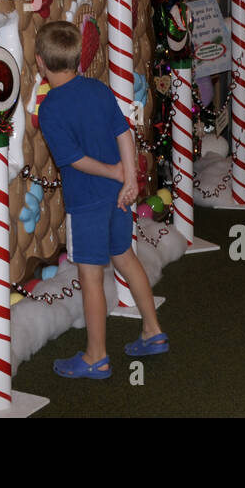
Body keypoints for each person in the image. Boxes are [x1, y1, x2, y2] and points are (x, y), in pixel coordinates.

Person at [35, 21, 167, 378]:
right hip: (118, 198)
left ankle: (96, 356)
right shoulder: (98, 89)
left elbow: (73, 159)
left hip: (86, 203)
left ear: (39, 63)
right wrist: (129, 178)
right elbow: (123, 132)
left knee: (91, 278)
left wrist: (115, 173)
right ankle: (153, 331)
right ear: (79, 58)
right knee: (125, 257)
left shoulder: (49, 109)